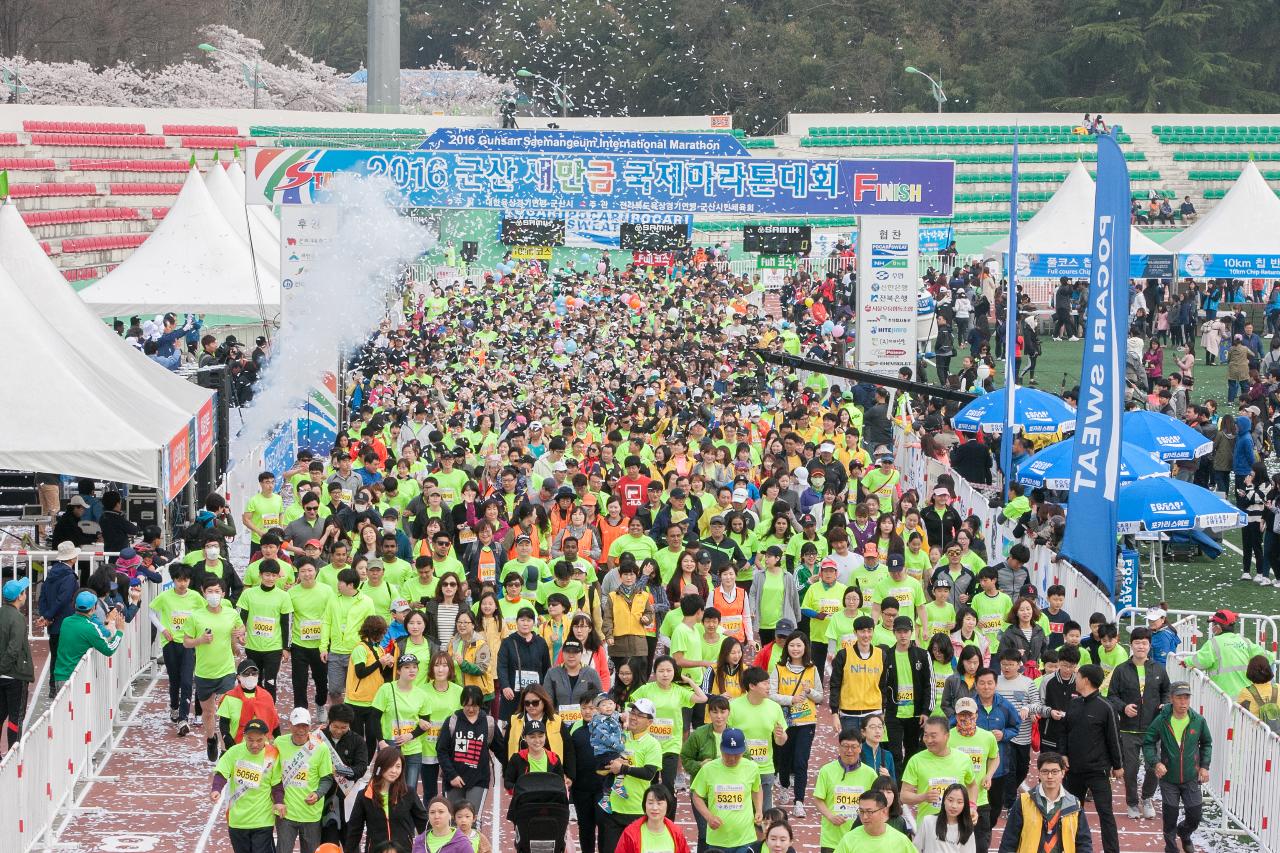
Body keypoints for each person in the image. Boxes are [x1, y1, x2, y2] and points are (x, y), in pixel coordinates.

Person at [1106, 626, 1170, 819]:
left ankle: (1147, 798)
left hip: (1153, 729)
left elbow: (1166, 692)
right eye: (1137, 643)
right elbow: (1112, 696)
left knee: (1153, 766)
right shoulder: (1121, 670)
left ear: (1149, 646)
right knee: (1131, 769)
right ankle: (1132, 803)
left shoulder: (1158, 669)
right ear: (1131, 645)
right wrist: (1124, 707)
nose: (1141, 646)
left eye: (1144, 643)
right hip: (1128, 729)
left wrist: (1164, 705)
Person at [1143, 681, 1212, 853]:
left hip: (1191, 777)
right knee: (1170, 819)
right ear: (1171, 698)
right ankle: (1171, 849)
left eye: (1186, 697)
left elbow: (1207, 743)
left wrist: (1204, 766)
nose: (1183, 702)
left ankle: (1185, 833)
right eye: (1179, 698)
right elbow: (1148, 743)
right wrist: (1156, 762)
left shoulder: (1198, 720)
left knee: (1195, 817)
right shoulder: (1161, 720)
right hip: (1168, 779)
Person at [1061, 665, 1123, 853]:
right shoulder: (1073, 703)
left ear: (1086, 680)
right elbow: (1064, 732)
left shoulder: (1105, 707)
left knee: (1105, 814)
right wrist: (1063, 754)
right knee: (1069, 813)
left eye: (1077, 676)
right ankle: (1069, 848)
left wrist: (1118, 765)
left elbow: (1114, 738)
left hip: (1098, 771)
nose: (1075, 679)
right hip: (1074, 770)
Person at [596, 696, 662, 853]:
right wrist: (610, 764)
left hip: (637, 810)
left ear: (650, 722)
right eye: (633, 712)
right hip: (613, 809)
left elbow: (649, 773)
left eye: (640, 715)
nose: (634, 717)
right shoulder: (619, 737)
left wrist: (623, 768)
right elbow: (600, 767)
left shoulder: (653, 744)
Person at [211, 718, 284, 853]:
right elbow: (221, 772)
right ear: (244, 737)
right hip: (238, 820)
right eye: (250, 740)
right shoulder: (234, 752)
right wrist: (216, 789)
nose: (255, 744)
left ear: (266, 738)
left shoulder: (272, 754)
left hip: (263, 820)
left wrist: (279, 801)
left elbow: (277, 784)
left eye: (259, 740)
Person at [998, 752, 1092, 853]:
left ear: (1063, 773)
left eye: (1055, 771)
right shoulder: (1023, 801)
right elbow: (1009, 841)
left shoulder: (1074, 804)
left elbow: (1083, 842)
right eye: (1045, 771)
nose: (1050, 776)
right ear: (1039, 773)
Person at [691, 727, 764, 853]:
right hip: (717, 839)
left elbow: (756, 789)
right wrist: (709, 817)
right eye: (728, 754)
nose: (732, 759)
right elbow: (697, 796)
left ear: (743, 751)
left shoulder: (752, 768)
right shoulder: (708, 769)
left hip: (745, 838)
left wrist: (758, 810)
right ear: (721, 748)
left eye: (737, 755)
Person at [345, 746, 428, 853]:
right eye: (390, 766)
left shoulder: (408, 793)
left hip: (403, 850)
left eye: (398, 766)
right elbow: (354, 830)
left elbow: (423, 824)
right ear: (380, 767)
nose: (394, 771)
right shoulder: (364, 795)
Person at [275, 707, 335, 853]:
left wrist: (318, 793)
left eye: (304, 726)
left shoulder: (320, 748)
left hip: (310, 814)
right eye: (297, 725)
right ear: (290, 724)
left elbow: (327, 778)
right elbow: (273, 775)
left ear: (309, 726)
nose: (300, 730)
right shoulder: (279, 743)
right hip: (286, 813)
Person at [899, 716, 979, 824]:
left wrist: (972, 806)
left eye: (933, 736)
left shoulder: (963, 759)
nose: (928, 740)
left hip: (957, 826)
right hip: (927, 827)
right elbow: (904, 796)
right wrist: (924, 797)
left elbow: (972, 785)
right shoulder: (916, 760)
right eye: (926, 735)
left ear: (947, 736)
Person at [813, 726, 879, 853]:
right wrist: (831, 816)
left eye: (854, 747)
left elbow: (877, 803)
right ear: (839, 747)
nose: (849, 750)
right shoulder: (826, 771)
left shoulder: (870, 774)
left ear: (860, 748)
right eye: (845, 746)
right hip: (832, 840)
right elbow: (818, 799)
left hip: (860, 839)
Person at [437, 684, 500, 814]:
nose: (471, 709)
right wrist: (452, 775)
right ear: (462, 703)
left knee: (473, 821)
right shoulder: (452, 721)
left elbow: (501, 749)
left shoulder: (488, 723)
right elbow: (441, 750)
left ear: (480, 704)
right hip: (454, 779)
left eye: (475, 706)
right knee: (453, 820)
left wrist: (513, 771)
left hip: (479, 779)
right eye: (467, 705)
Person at [1182, 608, 1272, 698]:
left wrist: (1186, 661)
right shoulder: (1244, 641)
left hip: (1222, 697)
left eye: (1213, 624)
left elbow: (1202, 661)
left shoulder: (1213, 643)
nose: (1212, 627)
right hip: (1246, 696)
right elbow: (1267, 657)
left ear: (1218, 627)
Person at [52, 588, 125, 694]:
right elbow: (109, 649)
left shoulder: (66, 621)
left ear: (75, 606)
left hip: (60, 676)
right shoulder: (90, 628)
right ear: (94, 608)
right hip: (76, 678)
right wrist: (120, 632)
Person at [319, 703, 369, 845]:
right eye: (335, 726)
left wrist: (342, 771)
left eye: (344, 727)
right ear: (329, 722)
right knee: (328, 842)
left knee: (350, 842)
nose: (339, 731)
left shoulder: (357, 741)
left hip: (349, 799)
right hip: (325, 798)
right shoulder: (319, 738)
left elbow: (361, 768)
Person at [37, 541, 81, 695]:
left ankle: (52, 687)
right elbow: (63, 599)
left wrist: (46, 615)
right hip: (66, 622)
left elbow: (42, 596)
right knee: (65, 656)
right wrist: (49, 615)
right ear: (72, 558)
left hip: (53, 623)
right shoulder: (69, 577)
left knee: (55, 654)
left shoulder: (51, 573)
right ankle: (60, 688)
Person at [0, 578, 34, 749]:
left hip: (3, 675)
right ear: (19, 596)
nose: (26, 594)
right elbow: (14, 648)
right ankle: (14, 754)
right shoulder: (18, 618)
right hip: (15, 675)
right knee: (16, 717)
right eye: (24, 591)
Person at [833, 789, 916, 853]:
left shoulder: (901, 841)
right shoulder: (849, 839)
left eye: (869, 812)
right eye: (861, 811)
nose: (864, 817)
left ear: (883, 811)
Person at [616, 784, 691, 853]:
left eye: (659, 803)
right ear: (644, 804)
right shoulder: (630, 834)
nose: (654, 808)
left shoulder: (676, 833)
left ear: (668, 805)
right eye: (650, 803)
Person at [915, 783, 976, 853]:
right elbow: (915, 848)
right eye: (950, 800)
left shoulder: (967, 828)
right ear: (944, 800)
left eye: (959, 802)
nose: (954, 806)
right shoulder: (928, 821)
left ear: (964, 805)